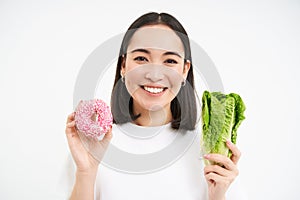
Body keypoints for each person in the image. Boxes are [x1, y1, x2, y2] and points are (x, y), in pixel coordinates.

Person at [64, 12, 243, 200]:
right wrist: (86, 171)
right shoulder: (94, 147)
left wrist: (218, 195)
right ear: (123, 65)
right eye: (141, 58)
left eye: (170, 61)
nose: (155, 74)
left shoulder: (211, 155)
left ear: (184, 70)